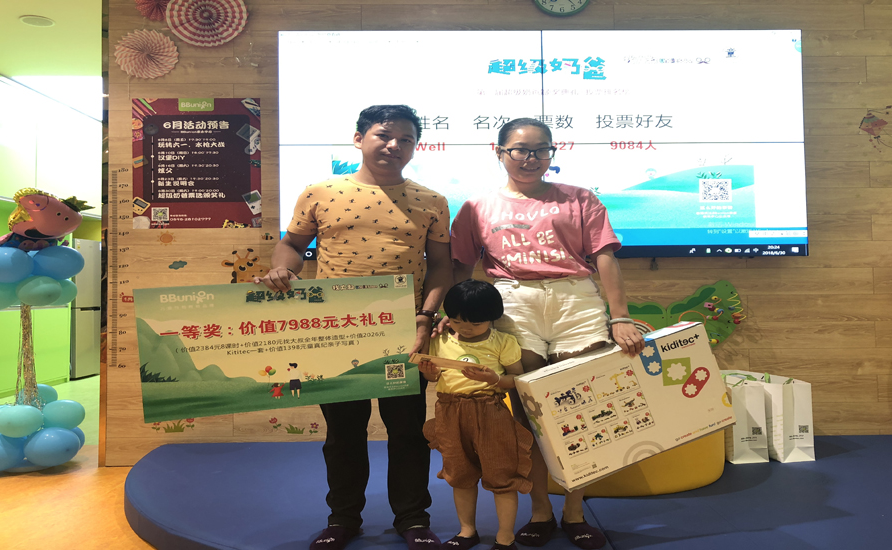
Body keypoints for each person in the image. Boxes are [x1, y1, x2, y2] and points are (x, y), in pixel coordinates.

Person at [255, 105, 453, 550]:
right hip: (337, 331)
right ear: (359, 138)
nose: (394, 145)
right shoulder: (320, 192)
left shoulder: (432, 200)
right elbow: (291, 245)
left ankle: (413, 519)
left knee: (407, 431)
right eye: (384, 135)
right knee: (343, 433)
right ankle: (342, 519)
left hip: (404, 331)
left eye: (406, 139)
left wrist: (425, 318)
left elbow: (441, 266)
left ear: (415, 147)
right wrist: (283, 271)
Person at [447, 118, 646, 550]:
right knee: (530, 418)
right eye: (520, 149)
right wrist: (454, 312)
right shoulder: (477, 206)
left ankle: (574, 512)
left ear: (552, 153)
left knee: (582, 411)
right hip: (514, 302)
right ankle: (540, 511)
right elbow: (461, 265)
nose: (530, 158)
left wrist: (620, 317)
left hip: (576, 301)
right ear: (499, 152)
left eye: (541, 150)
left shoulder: (580, 198)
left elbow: (605, 257)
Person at [417, 279, 533, 550]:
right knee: (459, 474)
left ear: (493, 318)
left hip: (491, 410)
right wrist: (429, 373)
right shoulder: (439, 339)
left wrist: (495, 379)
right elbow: (432, 376)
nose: (465, 328)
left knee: (502, 475)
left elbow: (518, 379)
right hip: (449, 411)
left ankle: (506, 537)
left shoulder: (503, 341)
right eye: (457, 321)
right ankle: (466, 531)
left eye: (476, 323)